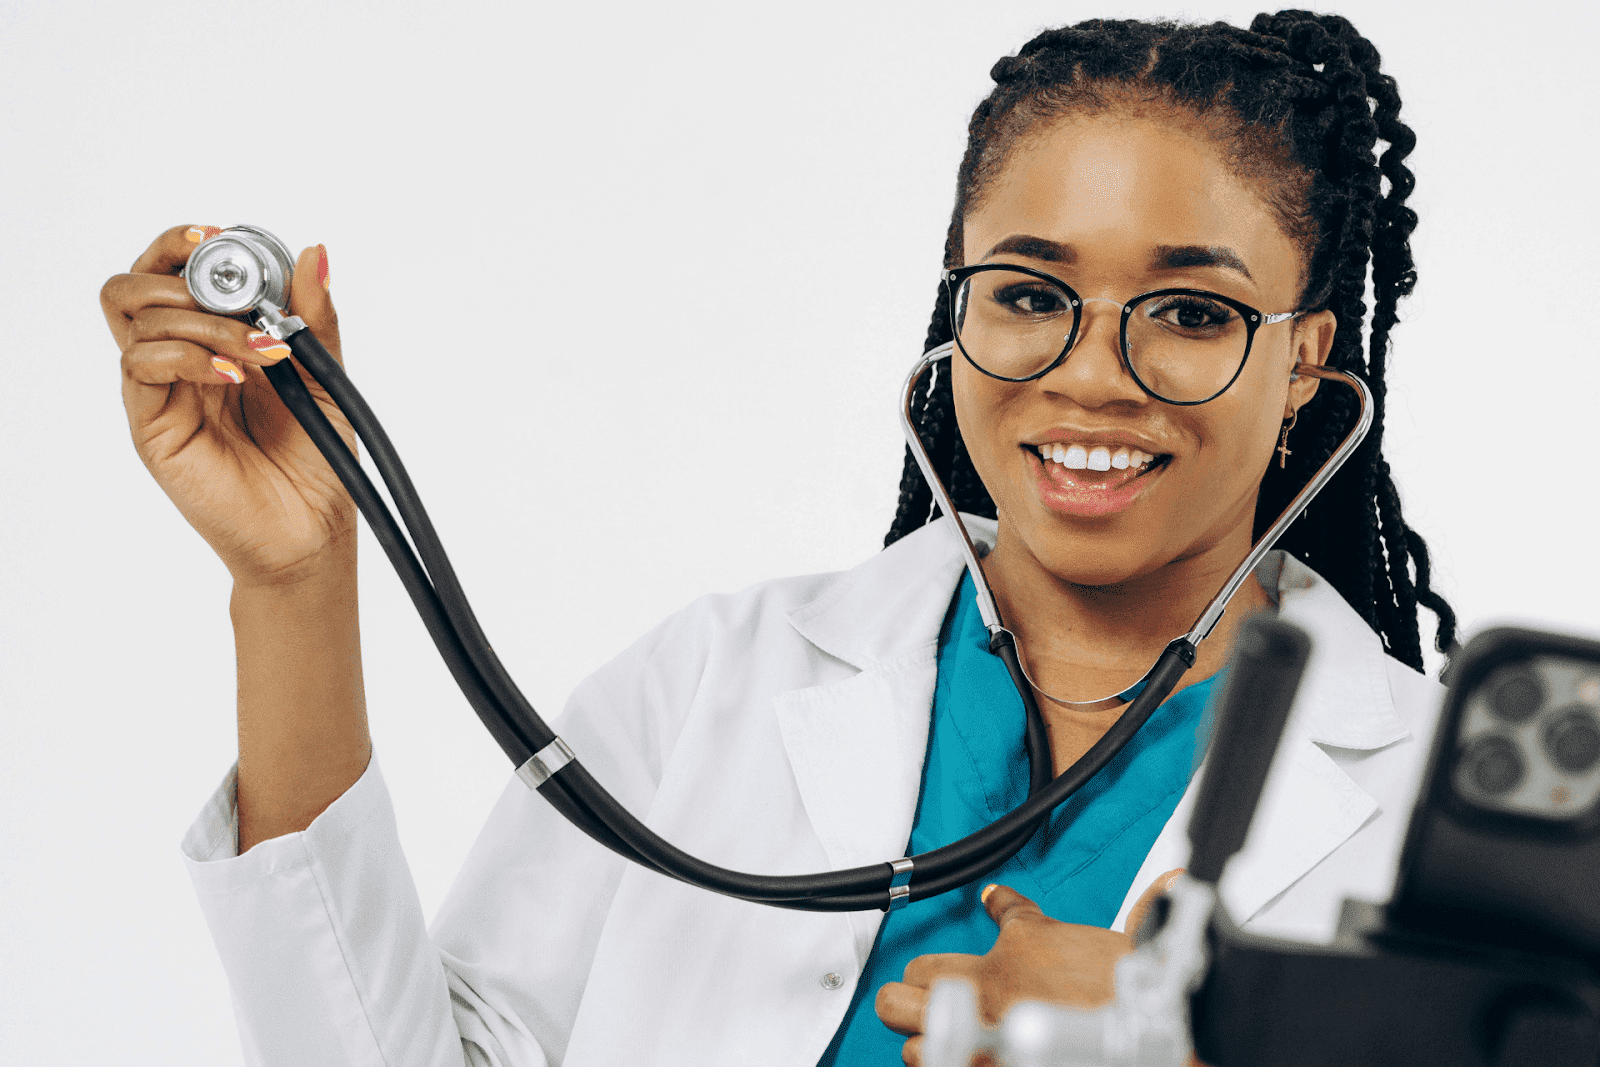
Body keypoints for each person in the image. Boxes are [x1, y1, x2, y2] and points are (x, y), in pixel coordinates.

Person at [100, 10, 1456, 1066]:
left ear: (1307, 361)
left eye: (1194, 313)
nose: (1092, 373)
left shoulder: (1434, 819)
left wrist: (1203, 1045)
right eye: (1030, 293)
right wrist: (293, 581)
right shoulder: (714, 684)